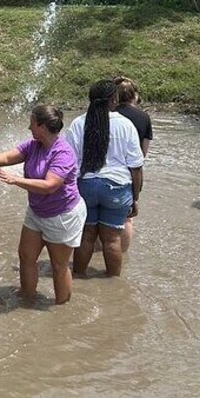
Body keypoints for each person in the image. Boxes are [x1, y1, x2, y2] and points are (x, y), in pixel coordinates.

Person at [0, 105, 86, 304]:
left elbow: (49, 185)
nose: (29, 127)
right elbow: (7, 157)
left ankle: (62, 308)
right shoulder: (33, 145)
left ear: (42, 126)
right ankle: (27, 297)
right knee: (26, 256)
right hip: (37, 212)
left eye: (32, 123)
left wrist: (16, 180)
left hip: (62, 216)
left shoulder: (63, 153)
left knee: (59, 265)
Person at [66, 80, 144, 277]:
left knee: (86, 237)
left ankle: (78, 277)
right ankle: (114, 284)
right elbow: (136, 167)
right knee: (111, 240)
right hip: (117, 188)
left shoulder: (78, 123)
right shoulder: (126, 125)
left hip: (86, 186)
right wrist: (135, 197)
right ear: (114, 99)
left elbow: (69, 164)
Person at [111, 76, 152, 253]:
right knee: (127, 218)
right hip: (131, 172)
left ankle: (100, 253)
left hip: (104, 170)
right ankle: (122, 254)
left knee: (97, 219)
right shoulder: (143, 117)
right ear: (134, 95)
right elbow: (143, 153)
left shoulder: (108, 115)